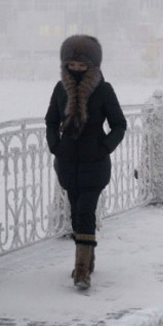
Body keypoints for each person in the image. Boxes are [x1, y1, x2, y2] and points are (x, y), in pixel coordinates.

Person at [45, 35, 126, 290]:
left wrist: (103, 147)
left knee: (85, 212)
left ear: (93, 65)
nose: (77, 69)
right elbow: (50, 120)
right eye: (72, 65)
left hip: (94, 163)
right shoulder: (60, 90)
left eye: (82, 65)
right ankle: (88, 258)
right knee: (75, 215)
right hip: (68, 163)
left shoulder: (104, 90)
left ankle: (81, 271)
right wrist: (55, 145)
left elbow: (119, 125)